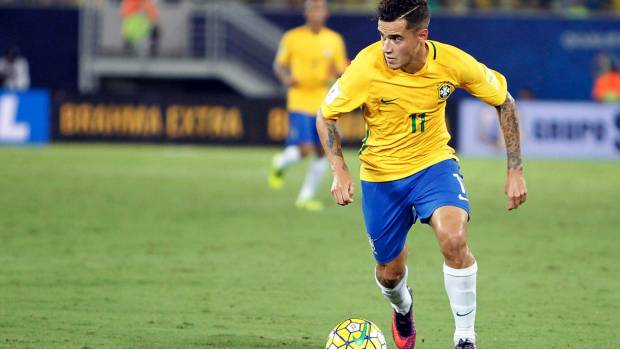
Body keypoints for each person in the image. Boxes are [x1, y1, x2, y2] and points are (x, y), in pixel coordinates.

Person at [316, 0, 527, 348]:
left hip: (434, 166)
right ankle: (403, 308)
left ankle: (465, 339)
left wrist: (515, 169)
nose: (386, 47)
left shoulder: (453, 62)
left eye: (396, 38)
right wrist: (339, 170)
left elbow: (504, 101)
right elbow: (325, 115)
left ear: (421, 36)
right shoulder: (365, 68)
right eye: (382, 37)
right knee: (390, 274)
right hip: (381, 177)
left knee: (455, 240)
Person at [268, 0, 348, 212]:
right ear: (306, 13)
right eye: (312, 8)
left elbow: (340, 69)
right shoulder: (292, 37)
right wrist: (286, 79)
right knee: (304, 149)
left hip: (323, 100)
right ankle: (280, 162)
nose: (316, 12)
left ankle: (305, 197)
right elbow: (279, 65)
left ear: (326, 13)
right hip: (300, 99)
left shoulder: (334, 40)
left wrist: (340, 75)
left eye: (320, 8)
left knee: (323, 150)